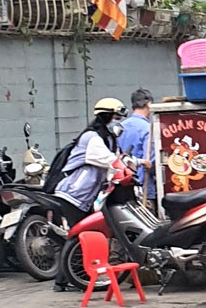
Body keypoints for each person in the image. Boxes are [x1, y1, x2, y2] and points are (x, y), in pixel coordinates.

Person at [52, 97, 127, 292]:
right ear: (106, 116)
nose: (117, 121)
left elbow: (119, 157)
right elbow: (106, 159)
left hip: (85, 196)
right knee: (80, 234)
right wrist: (121, 165)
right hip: (73, 193)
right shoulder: (91, 138)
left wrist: (135, 162)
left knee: (85, 234)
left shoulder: (107, 138)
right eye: (116, 117)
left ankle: (80, 276)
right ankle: (63, 280)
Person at [118, 89, 156, 213]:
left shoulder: (120, 127)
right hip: (143, 187)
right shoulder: (148, 129)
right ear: (149, 104)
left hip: (122, 186)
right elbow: (150, 161)